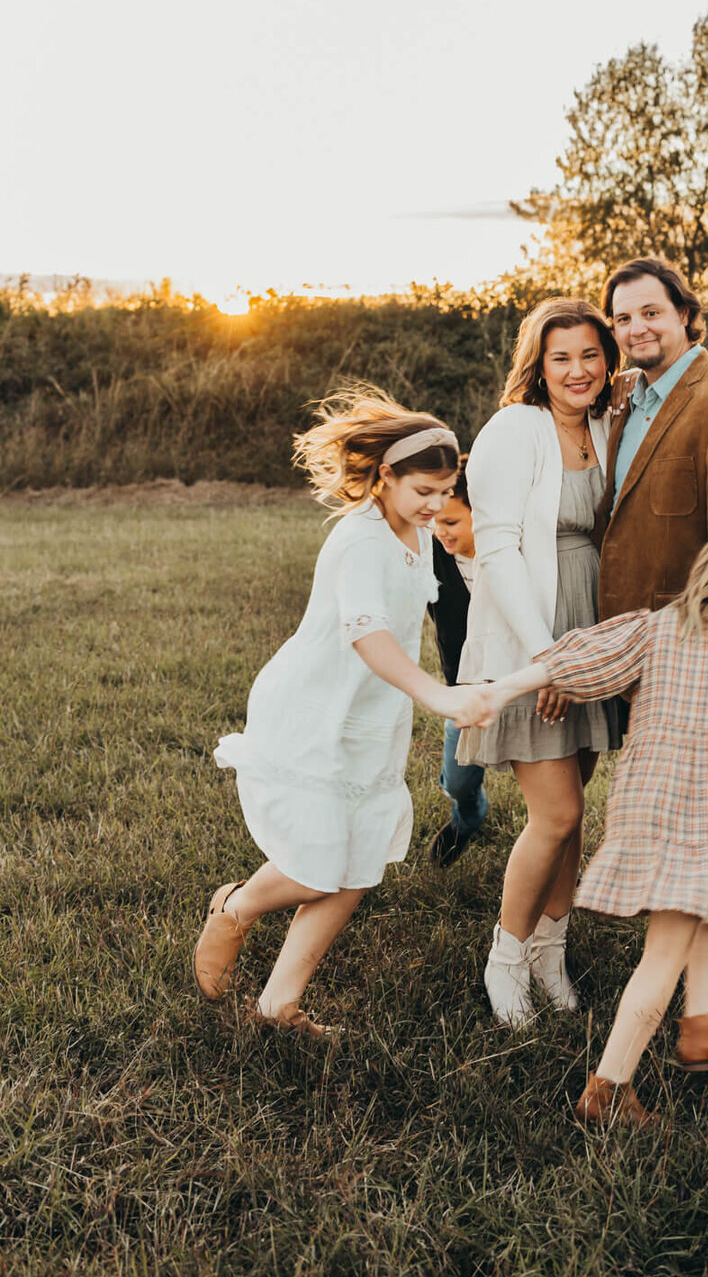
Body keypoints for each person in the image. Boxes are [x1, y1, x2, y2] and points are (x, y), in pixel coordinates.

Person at [485, 522, 708, 1127]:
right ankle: (608, 1090)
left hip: (657, 801)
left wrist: (501, 688)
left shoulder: (655, 628)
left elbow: (578, 660)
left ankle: (702, 1020)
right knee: (664, 956)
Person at [193, 388, 494, 1035]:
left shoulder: (415, 529)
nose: (437, 506)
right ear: (385, 475)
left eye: (446, 492)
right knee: (314, 866)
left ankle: (280, 1002)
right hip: (317, 707)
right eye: (424, 491)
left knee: (356, 866)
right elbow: (367, 631)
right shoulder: (360, 540)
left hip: (370, 715)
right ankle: (237, 908)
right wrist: (437, 696)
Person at [590, 256, 708, 1042]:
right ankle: (678, 977)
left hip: (704, 662)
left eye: (650, 313)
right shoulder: (628, 401)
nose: (636, 328)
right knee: (680, 823)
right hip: (640, 654)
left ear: (685, 315)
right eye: (623, 318)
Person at [455, 297, 622, 1026]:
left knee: (575, 810)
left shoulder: (607, 428)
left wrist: (590, 654)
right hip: (532, 631)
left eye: (590, 354)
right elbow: (493, 548)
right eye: (562, 358)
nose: (578, 370)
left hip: (593, 630)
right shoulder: (513, 429)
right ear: (538, 364)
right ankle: (505, 957)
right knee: (554, 813)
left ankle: (553, 952)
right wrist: (544, 659)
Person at [426, 456, 489, 867]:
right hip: (463, 689)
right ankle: (468, 816)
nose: (440, 532)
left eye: (451, 522)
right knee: (459, 780)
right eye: (435, 521)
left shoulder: (508, 552)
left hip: (517, 679)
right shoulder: (430, 554)